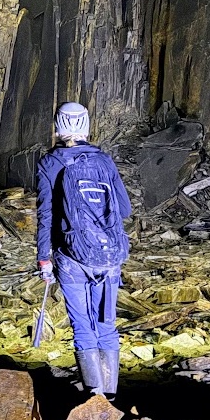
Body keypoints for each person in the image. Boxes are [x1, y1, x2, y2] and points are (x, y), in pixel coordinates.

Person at [36, 102, 132, 399]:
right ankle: (111, 398)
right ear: (87, 125)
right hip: (109, 257)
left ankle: (95, 398)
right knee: (107, 325)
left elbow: (46, 215)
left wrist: (44, 258)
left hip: (72, 257)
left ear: (57, 126)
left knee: (82, 327)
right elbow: (125, 209)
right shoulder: (104, 161)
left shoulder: (50, 163)